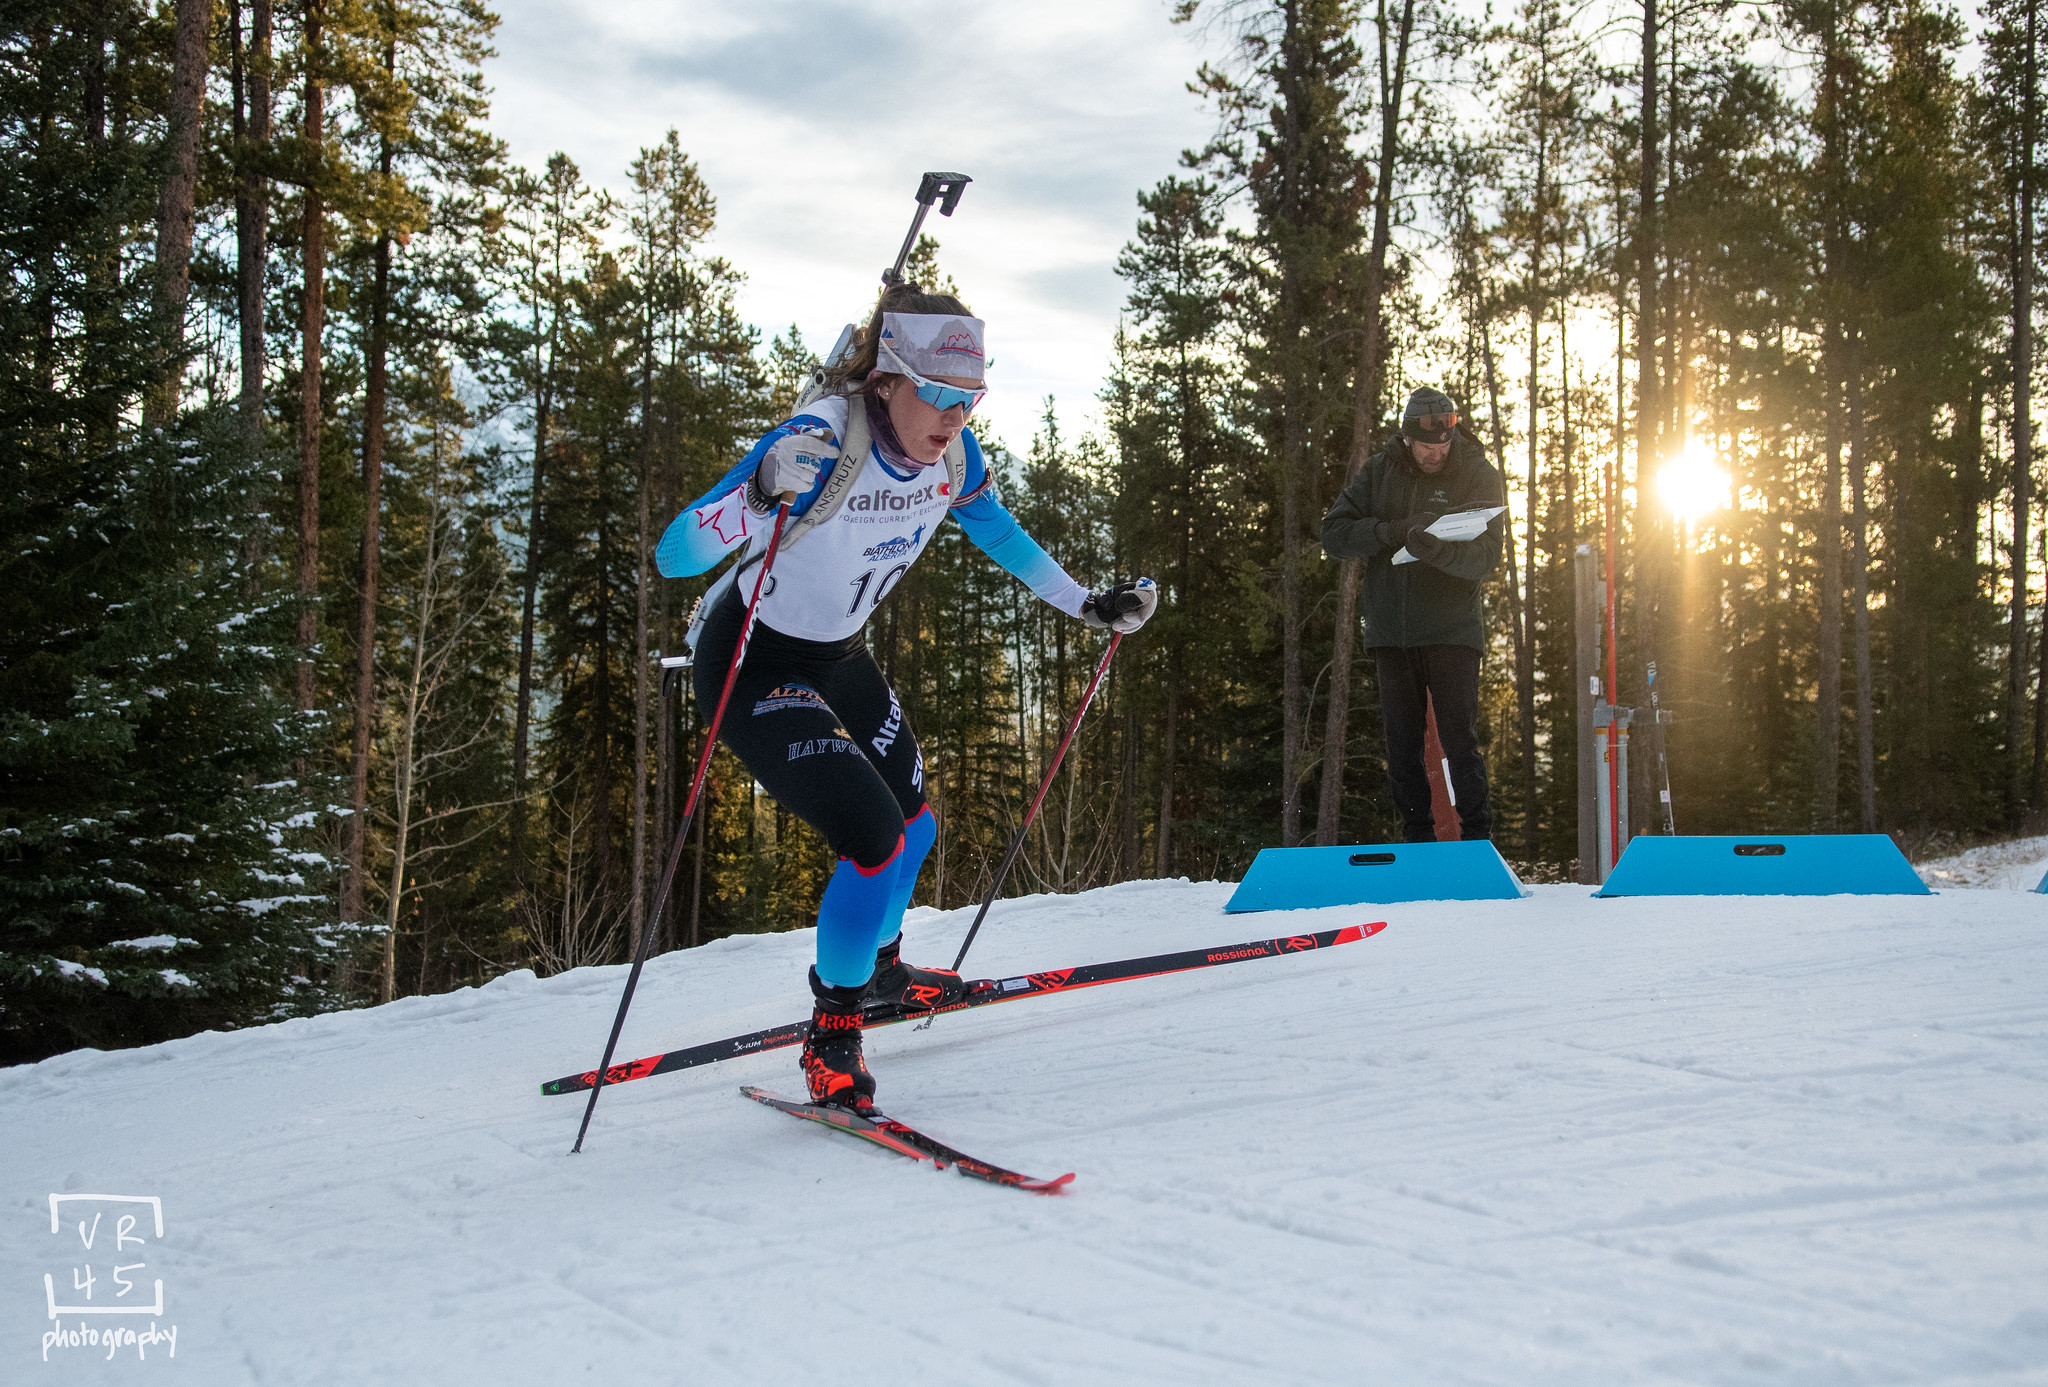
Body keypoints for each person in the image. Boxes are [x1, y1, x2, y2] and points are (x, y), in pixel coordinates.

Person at [655, 283, 1158, 1112]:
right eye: (938, 394)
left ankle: (882, 971)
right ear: (886, 379)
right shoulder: (820, 438)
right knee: (874, 837)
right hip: (752, 659)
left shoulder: (953, 458)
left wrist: (1086, 604)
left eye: (971, 398)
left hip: (838, 656)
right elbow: (674, 554)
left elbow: (995, 528)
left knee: (915, 824)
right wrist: (757, 492)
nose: (955, 417)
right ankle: (832, 1034)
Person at [1320, 386, 1505, 843]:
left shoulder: (1479, 474)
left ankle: (1478, 843)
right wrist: (1391, 531)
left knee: (1460, 742)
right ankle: (1417, 842)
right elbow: (1334, 533)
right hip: (1393, 635)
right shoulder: (1378, 472)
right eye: (1426, 446)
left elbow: (1488, 556)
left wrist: (1439, 552)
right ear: (1407, 437)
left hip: (1453, 632)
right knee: (1402, 749)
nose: (1436, 453)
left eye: (1443, 443)